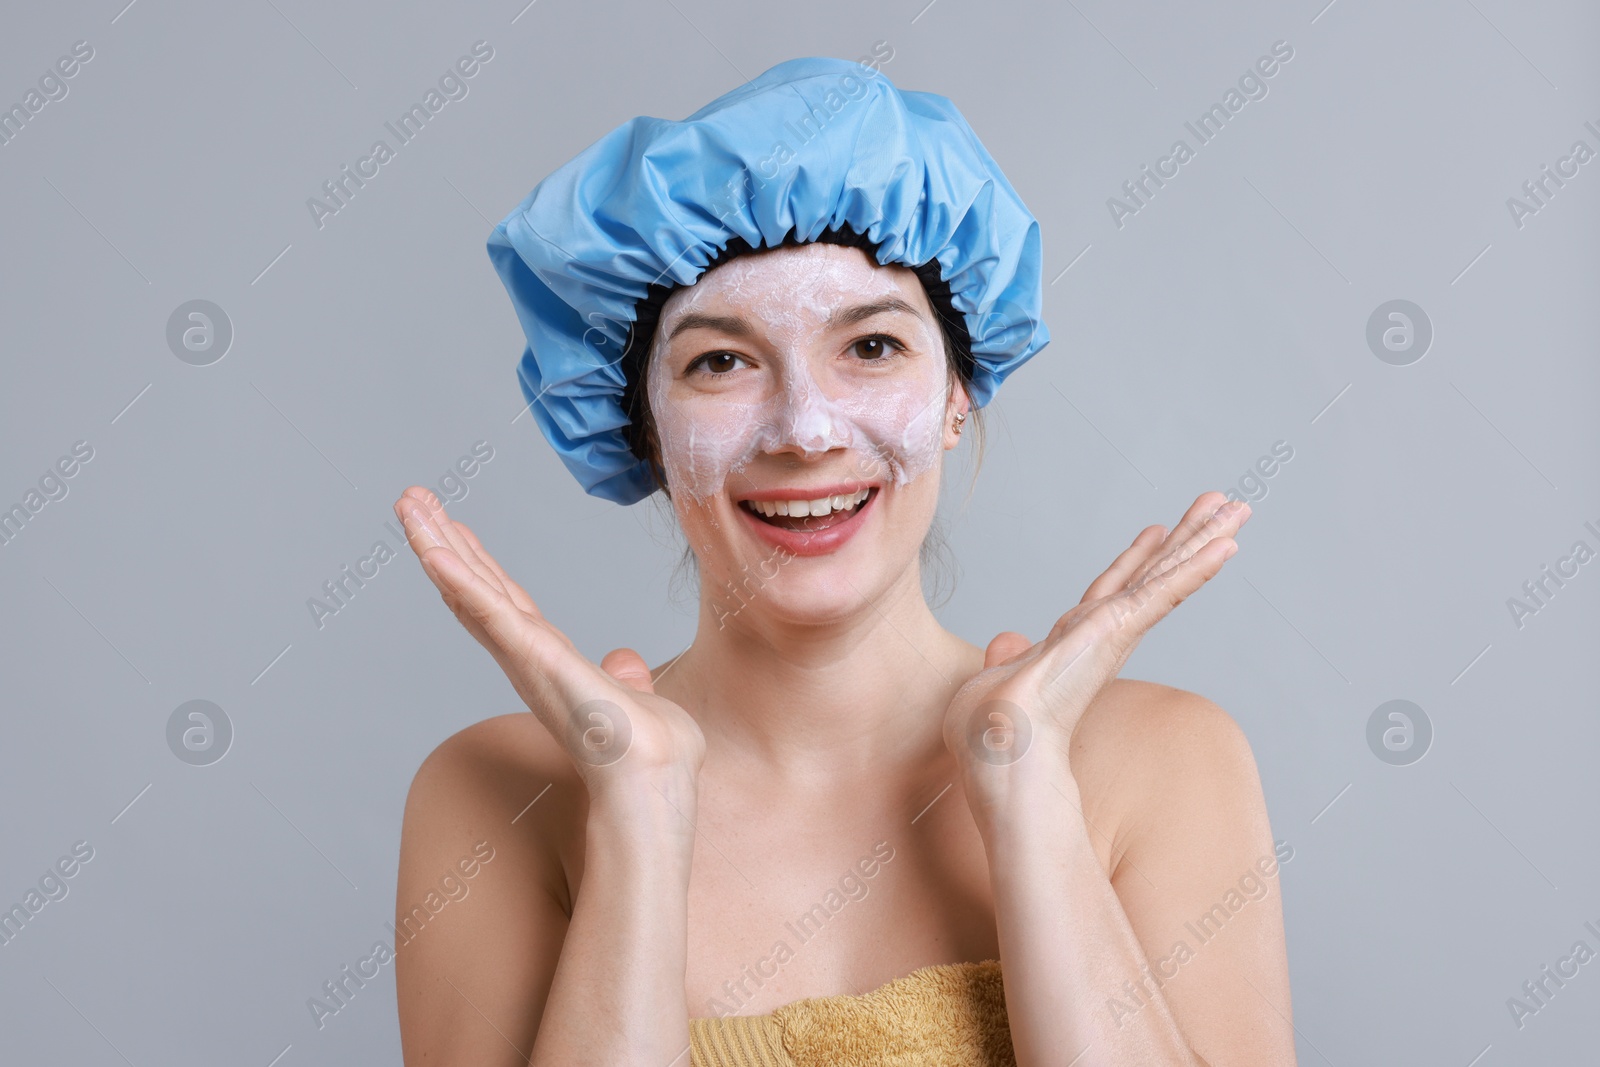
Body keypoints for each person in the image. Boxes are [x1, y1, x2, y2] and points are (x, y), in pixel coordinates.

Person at [391, 57, 1293, 1067]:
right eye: (719, 360)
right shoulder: (497, 793)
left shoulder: (1159, 759)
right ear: (641, 424)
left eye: (869, 347)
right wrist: (636, 811)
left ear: (959, 393)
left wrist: (1028, 790)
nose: (803, 430)